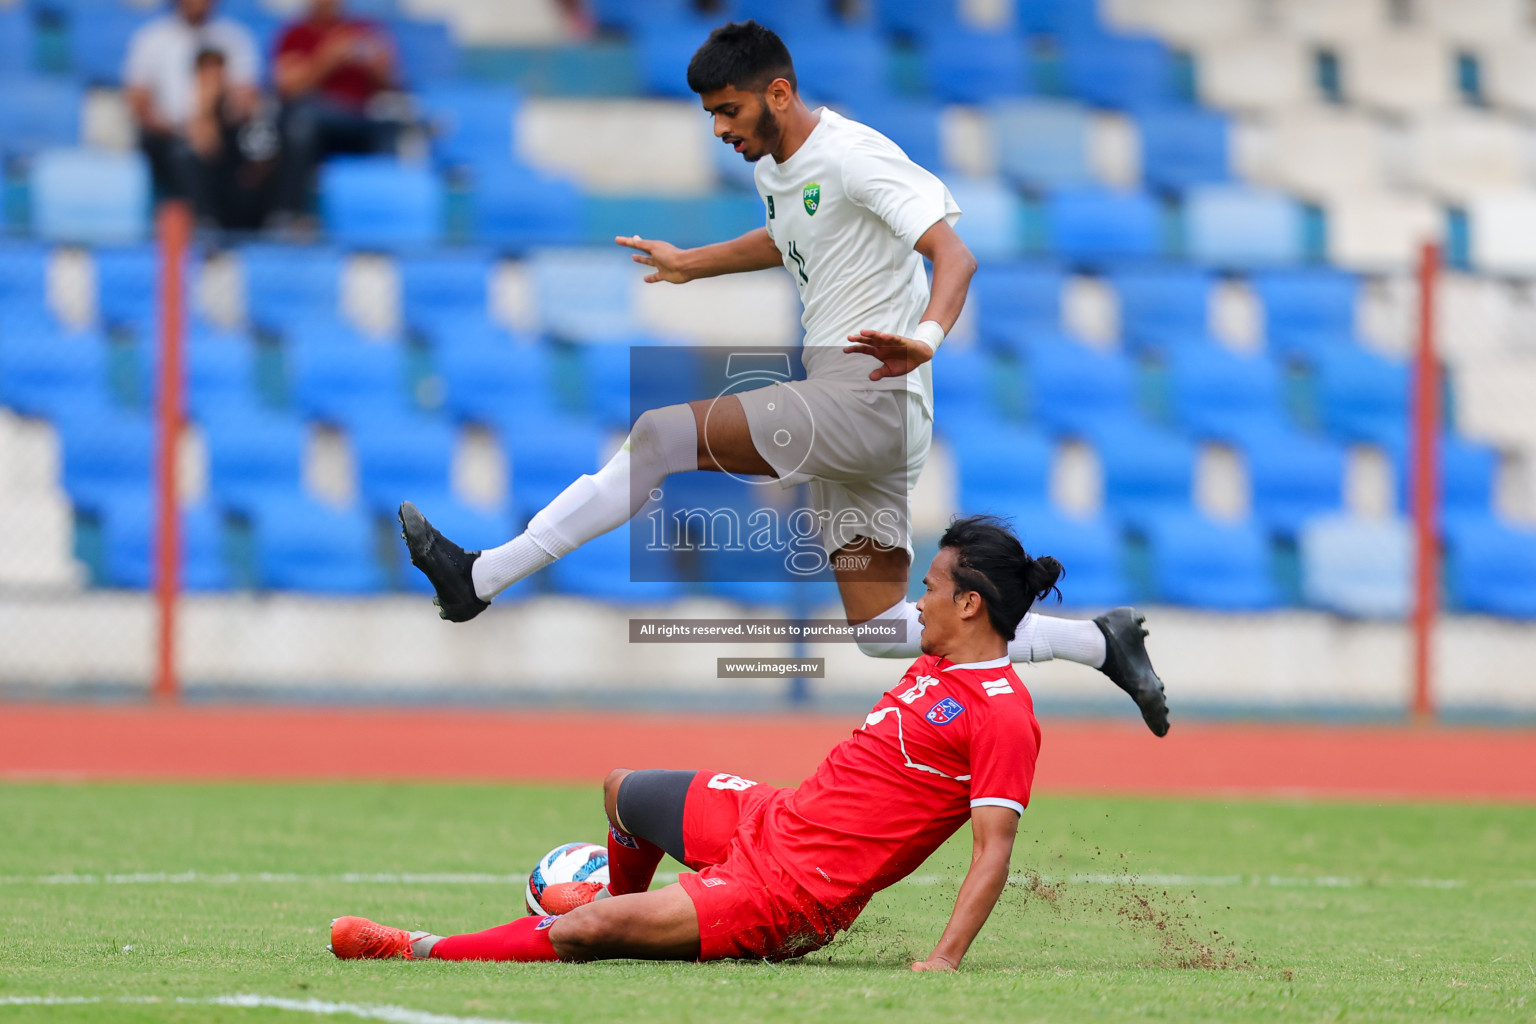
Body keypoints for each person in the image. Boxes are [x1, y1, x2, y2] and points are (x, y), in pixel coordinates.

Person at [397, 20, 1168, 737]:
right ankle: (1098, 643)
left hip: (867, 393)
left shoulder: (855, 154)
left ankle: (481, 575)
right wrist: (692, 263)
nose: (720, 129)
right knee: (878, 631)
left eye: (728, 109)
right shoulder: (777, 166)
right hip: (869, 415)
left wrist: (927, 337)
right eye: (710, 115)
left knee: (661, 435)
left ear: (779, 93)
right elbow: (789, 231)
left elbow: (956, 255)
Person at [332, 515, 1056, 969]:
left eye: (930, 588)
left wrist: (944, 960)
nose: (918, 599)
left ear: (968, 604)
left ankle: (414, 946)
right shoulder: (937, 659)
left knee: (586, 929)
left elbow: (992, 851)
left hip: (787, 895)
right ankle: (626, 924)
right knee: (623, 791)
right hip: (772, 819)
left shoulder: (1002, 715)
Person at [124, 0, 260, 222]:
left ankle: (270, 222)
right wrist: (184, 130)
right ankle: (204, 223)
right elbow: (140, 103)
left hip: (225, 131)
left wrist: (214, 118)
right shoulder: (151, 38)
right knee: (184, 153)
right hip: (168, 135)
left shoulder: (234, 37)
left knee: (261, 148)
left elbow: (247, 100)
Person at [271, 0, 399, 226]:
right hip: (314, 120)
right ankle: (294, 216)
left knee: (394, 130)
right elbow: (287, 87)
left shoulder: (365, 30)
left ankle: (384, 220)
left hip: (359, 122)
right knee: (301, 122)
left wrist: (376, 65)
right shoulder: (294, 35)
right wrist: (327, 59)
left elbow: (392, 81)